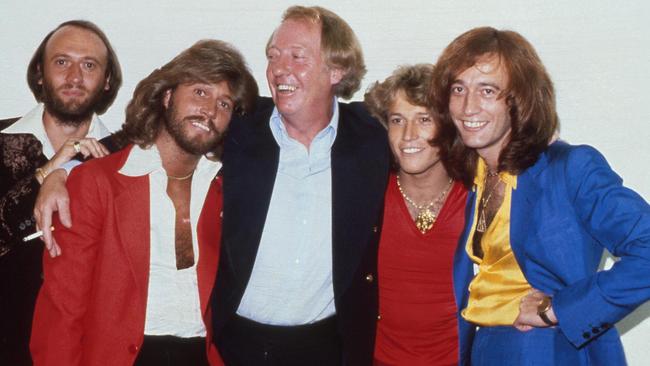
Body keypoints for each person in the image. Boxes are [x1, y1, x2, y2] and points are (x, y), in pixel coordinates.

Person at [30, 39, 258, 366]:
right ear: (167, 96)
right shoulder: (99, 182)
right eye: (200, 92)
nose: (210, 111)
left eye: (224, 104)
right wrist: (60, 172)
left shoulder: (223, 188)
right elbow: (62, 311)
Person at [430, 26, 650, 365]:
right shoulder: (475, 176)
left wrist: (558, 309)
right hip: (485, 346)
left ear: (519, 99)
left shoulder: (570, 167)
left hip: (545, 350)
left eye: (488, 90)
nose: (468, 106)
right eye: (458, 88)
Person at [212, 6, 389, 365]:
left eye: (297, 56)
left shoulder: (372, 137)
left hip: (325, 347)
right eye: (273, 56)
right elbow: (159, 130)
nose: (279, 69)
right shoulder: (240, 127)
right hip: (234, 344)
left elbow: (450, 138)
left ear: (336, 69)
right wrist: (70, 162)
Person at [0, 20, 120, 365]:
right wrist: (50, 169)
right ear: (40, 73)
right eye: (62, 62)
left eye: (89, 65)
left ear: (107, 80)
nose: (74, 77)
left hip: (81, 351)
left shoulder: (124, 161)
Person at [364, 64, 470, 366]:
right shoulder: (369, 197)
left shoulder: (474, 198)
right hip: (378, 359)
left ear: (448, 126)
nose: (408, 135)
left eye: (424, 119)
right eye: (398, 120)